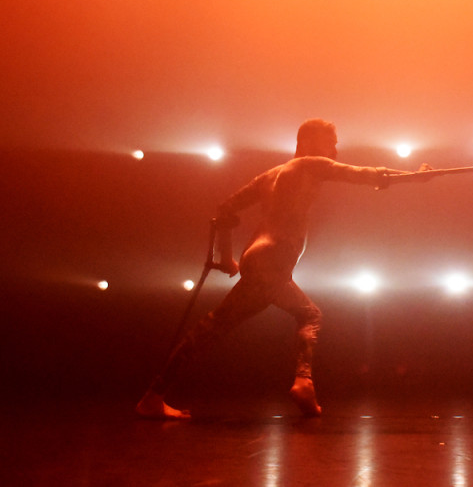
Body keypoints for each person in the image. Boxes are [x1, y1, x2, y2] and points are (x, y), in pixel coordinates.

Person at [136, 118, 420, 419]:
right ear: (307, 143)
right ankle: (303, 382)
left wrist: (229, 257)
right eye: (330, 142)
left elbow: (225, 209)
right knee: (309, 314)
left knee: (213, 327)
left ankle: (153, 396)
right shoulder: (311, 163)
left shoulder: (268, 176)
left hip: (257, 258)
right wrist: (414, 178)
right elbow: (363, 174)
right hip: (275, 257)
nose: (334, 150)